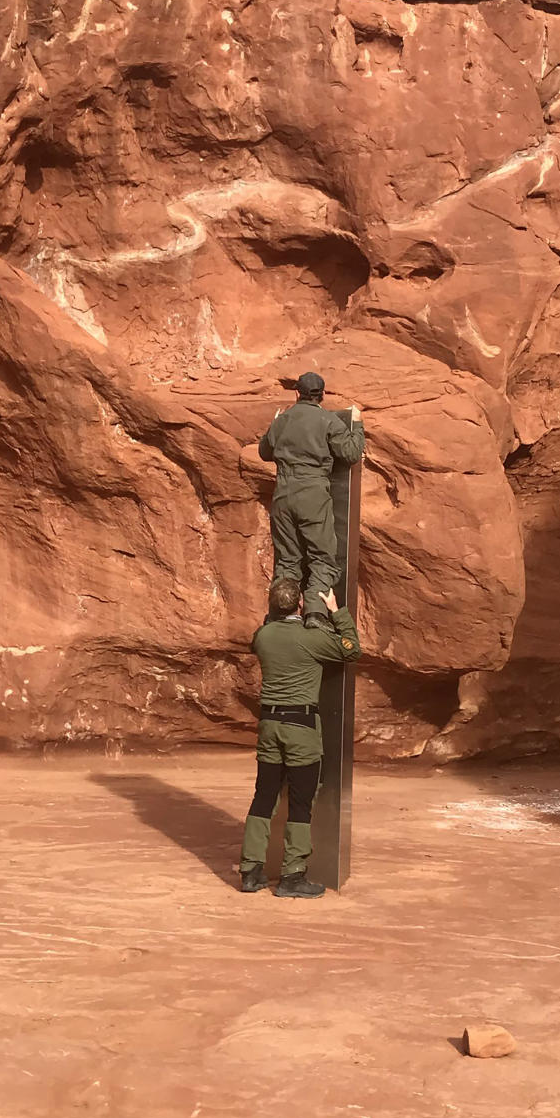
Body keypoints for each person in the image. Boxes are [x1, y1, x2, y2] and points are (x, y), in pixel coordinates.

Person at [240, 577, 362, 897]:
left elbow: (257, 636)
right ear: (300, 605)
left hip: (269, 725)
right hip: (301, 728)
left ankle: (251, 870)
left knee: (264, 796)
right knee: (299, 801)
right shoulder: (310, 638)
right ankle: (292, 875)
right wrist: (337, 613)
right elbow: (351, 650)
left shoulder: (264, 636)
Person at [259, 371, 365, 631]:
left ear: (296, 393)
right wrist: (358, 424)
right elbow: (350, 453)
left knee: (287, 559)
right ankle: (315, 614)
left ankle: (278, 614)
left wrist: (277, 423)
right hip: (313, 493)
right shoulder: (327, 420)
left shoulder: (282, 420)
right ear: (322, 395)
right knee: (322, 557)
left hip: (283, 493)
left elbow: (264, 452)